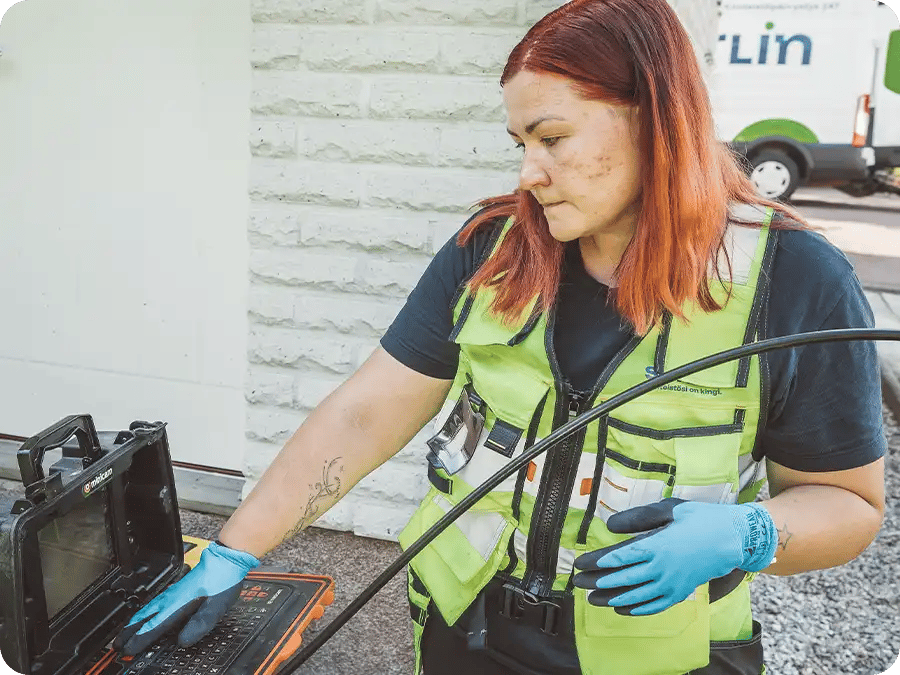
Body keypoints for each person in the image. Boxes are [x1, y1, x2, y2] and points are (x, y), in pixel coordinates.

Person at [114, 0, 887, 673]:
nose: (528, 172)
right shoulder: (492, 250)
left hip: (665, 658)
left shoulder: (795, 282)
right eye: (519, 141)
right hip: (465, 639)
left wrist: (749, 533)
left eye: (551, 138)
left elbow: (849, 503)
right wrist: (235, 549)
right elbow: (365, 413)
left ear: (656, 118)